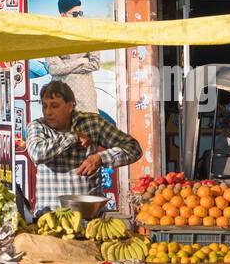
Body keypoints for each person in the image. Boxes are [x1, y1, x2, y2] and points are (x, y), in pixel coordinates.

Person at [25, 80, 142, 213]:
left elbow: (133, 148)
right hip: (49, 216)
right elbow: (36, 153)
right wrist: (74, 137)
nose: (48, 112)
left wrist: (100, 158)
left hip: (89, 217)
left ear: (70, 106)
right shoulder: (38, 126)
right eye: (44, 106)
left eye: (54, 106)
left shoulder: (92, 123)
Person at [44, 0, 101, 119]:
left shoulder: (88, 35)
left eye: (80, 13)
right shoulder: (53, 38)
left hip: (85, 100)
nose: (79, 17)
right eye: (74, 14)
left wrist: (64, 65)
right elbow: (53, 69)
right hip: (61, 98)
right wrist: (80, 61)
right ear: (63, 15)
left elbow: (95, 64)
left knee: (87, 137)